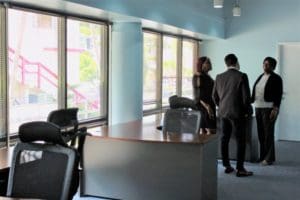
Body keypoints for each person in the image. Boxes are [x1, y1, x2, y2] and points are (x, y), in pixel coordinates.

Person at [212, 54, 253, 177]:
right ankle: (240, 169)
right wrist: (248, 111)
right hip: (238, 113)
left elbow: (214, 96)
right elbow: (246, 98)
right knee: (241, 140)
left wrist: (222, 106)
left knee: (224, 138)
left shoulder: (219, 77)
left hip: (223, 113)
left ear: (226, 63)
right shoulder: (242, 76)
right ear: (236, 62)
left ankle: (227, 165)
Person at [251, 57, 283, 165]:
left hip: (269, 108)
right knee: (261, 133)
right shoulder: (260, 77)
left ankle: (269, 158)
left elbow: (278, 95)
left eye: (268, 64)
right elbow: (255, 91)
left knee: (268, 133)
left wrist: (275, 108)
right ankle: (262, 156)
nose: (265, 66)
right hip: (258, 108)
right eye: (264, 64)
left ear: (273, 66)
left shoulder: (276, 78)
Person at [192, 56, 216, 135]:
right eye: (207, 62)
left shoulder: (207, 76)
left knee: (209, 131)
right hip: (203, 106)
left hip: (209, 104)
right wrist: (207, 107)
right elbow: (199, 95)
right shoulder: (198, 76)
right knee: (209, 131)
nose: (210, 64)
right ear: (202, 65)